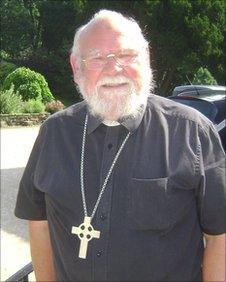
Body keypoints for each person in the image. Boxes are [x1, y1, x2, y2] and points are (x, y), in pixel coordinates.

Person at [15, 9, 225, 282]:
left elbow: (220, 234)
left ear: (146, 58)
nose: (113, 68)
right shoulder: (54, 133)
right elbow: (39, 222)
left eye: (126, 55)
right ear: (76, 66)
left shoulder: (192, 133)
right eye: (98, 58)